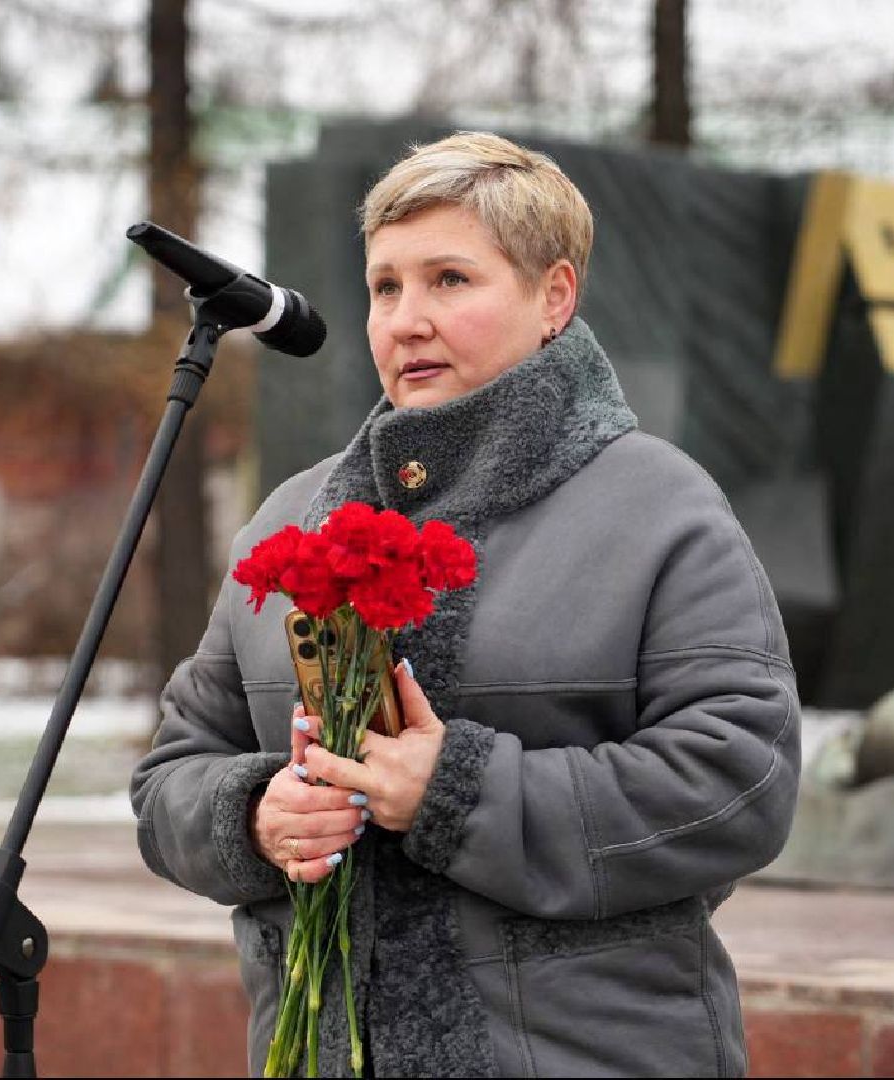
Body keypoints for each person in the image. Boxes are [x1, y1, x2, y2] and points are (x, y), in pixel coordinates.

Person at [130, 131, 800, 1078]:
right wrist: (253, 818)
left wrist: (457, 793)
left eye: (449, 279)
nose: (406, 320)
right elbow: (171, 775)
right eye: (385, 286)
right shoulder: (295, 518)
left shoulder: (659, 506)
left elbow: (739, 783)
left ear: (553, 298)